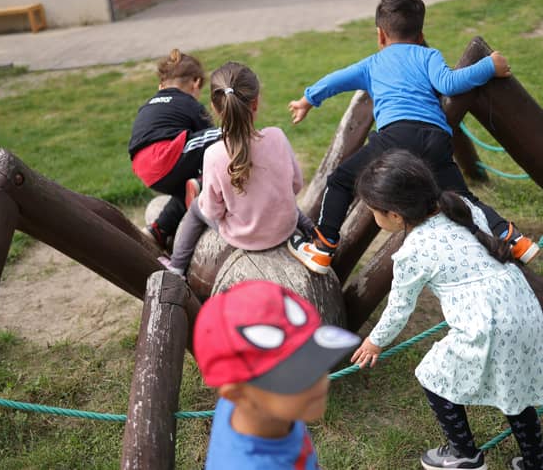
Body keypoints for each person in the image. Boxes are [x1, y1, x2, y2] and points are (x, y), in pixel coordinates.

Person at [287, 0, 539, 274]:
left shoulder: (372, 63)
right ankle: (512, 237)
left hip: (396, 137)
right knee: (462, 197)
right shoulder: (428, 55)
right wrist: (488, 65)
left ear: (380, 35)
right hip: (436, 139)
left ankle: (323, 247)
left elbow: (336, 80)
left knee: (341, 181)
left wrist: (307, 100)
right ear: (420, 35)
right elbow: (449, 83)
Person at [350, 150, 543, 470]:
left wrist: (375, 340)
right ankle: (536, 460)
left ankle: (464, 454)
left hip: (488, 324)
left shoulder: (413, 250)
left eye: (374, 211)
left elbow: (399, 307)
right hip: (525, 308)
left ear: (395, 215)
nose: (374, 217)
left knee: (433, 376)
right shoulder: (462, 207)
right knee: (513, 384)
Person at [162, 61, 314, 275]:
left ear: (215, 108)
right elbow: (296, 185)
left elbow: (213, 211)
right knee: (275, 193)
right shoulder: (277, 136)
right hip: (284, 229)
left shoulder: (214, 155)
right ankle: (308, 227)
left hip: (245, 236)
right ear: (256, 102)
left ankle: (177, 266)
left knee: (197, 208)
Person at [194, 280, 361, 469]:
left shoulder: (274, 412)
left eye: (316, 359)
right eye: (296, 376)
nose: (321, 382)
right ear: (238, 395)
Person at [127, 48, 222, 248]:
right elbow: (215, 148)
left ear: (161, 85)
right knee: (224, 136)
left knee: (188, 190)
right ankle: (207, 185)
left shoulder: (148, 104)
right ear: (195, 83)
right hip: (164, 156)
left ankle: (157, 231)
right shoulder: (188, 102)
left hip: (145, 169)